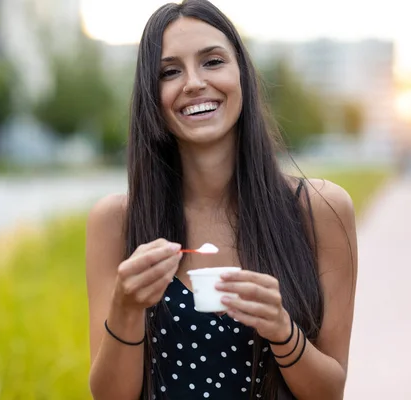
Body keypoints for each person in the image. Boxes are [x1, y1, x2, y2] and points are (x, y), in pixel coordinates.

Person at [85, 1, 358, 399]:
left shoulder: (321, 210)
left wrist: (282, 331)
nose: (194, 82)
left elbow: (329, 392)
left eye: (212, 62)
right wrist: (126, 308)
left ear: (242, 75)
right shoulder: (117, 221)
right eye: (170, 71)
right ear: (151, 94)